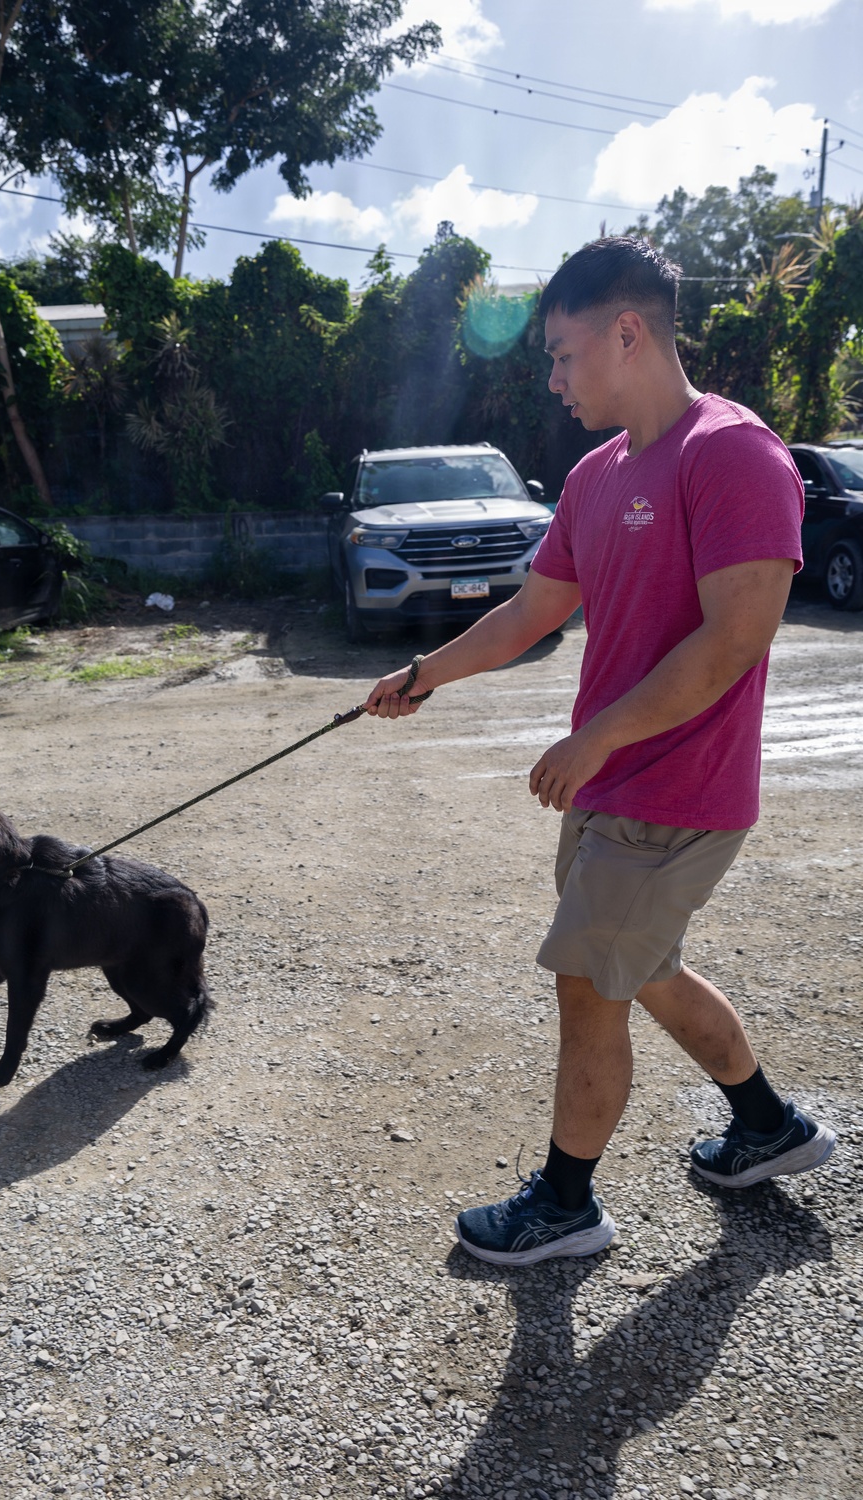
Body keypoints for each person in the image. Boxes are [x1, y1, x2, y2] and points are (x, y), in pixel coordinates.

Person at [364, 235, 836, 1268]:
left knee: (589, 982)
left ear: (627, 332)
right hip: (615, 783)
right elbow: (534, 610)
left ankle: (566, 1207)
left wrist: (595, 737)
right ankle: (767, 1128)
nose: (553, 376)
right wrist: (425, 674)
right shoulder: (594, 475)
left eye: (564, 352)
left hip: (677, 787)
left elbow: (734, 639)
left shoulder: (734, 454)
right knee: (643, 966)